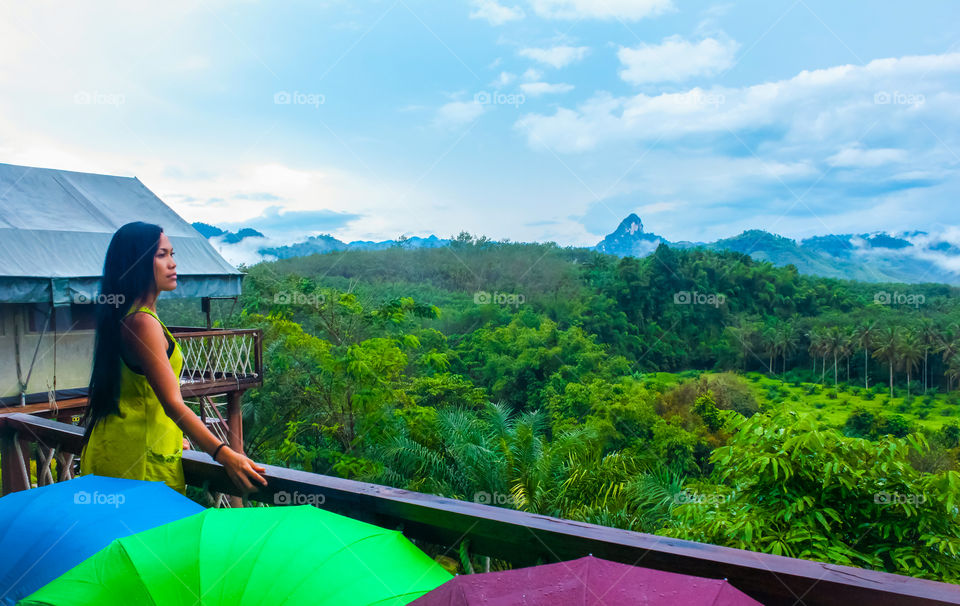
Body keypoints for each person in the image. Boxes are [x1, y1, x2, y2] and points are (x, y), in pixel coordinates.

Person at [80, 221, 267, 495]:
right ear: (136, 264)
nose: (172, 263)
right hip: (136, 461)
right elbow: (171, 402)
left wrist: (173, 433)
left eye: (172, 254)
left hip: (120, 448)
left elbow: (140, 393)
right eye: (161, 255)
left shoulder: (130, 316)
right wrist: (224, 453)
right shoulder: (141, 322)